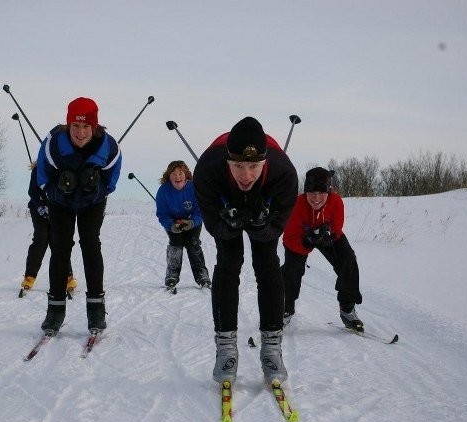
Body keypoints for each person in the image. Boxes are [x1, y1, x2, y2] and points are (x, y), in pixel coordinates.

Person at [193, 116, 298, 385]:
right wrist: (229, 224)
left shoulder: (284, 174)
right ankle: (226, 347)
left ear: (265, 162)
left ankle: (272, 349)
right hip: (223, 199)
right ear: (228, 161)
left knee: (267, 262)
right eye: (238, 165)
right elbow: (215, 227)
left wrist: (261, 224)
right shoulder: (207, 170)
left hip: (266, 198)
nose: (246, 174)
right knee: (229, 261)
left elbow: (276, 229)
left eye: (253, 165)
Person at [36, 97, 121, 335]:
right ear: (68, 125)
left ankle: (96, 309)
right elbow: (42, 177)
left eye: (86, 127)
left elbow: (111, 181)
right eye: (75, 126)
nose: (80, 133)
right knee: (60, 247)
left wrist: (93, 188)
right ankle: (55, 310)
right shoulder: (53, 145)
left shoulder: (108, 147)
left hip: (91, 203)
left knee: (90, 244)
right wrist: (58, 189)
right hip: (60, 203)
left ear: (94, 127)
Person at [281, 167, 363, 331]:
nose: (316, 198)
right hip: (300, 238)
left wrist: (329, 236)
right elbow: (289, 238)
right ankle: (284, 309)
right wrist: (306, 241)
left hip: (327, 237)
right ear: (305, 192)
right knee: (291, 270)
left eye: (321, 193)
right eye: (312, 193)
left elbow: (337, 228)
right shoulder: (296, 205)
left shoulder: (336, 201)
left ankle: (347, 309)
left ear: (329, 191)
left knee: (348, 259)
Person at [20, 162, 77, 295]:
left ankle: (68, 278)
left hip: (58, 208)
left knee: (58, 242)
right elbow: (32, 191)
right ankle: (29, 277)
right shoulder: (39, 168)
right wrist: (40, 206)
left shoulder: (65, 166)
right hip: (38, 207)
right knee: (41, 239)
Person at [155, 160, 211, 292]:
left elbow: (200, 210)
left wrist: (191, 222)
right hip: (173, 222)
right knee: (176, 244)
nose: (177, 177)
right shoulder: (163, 191)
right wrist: (171, 225)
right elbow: (162, 214)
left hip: (192, 220)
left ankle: (202, 276)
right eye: (173, 174)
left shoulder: (194, 188)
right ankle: (172, 276)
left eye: (180, 173)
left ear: (186, 175)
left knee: (193, 243)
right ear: (168, 176)